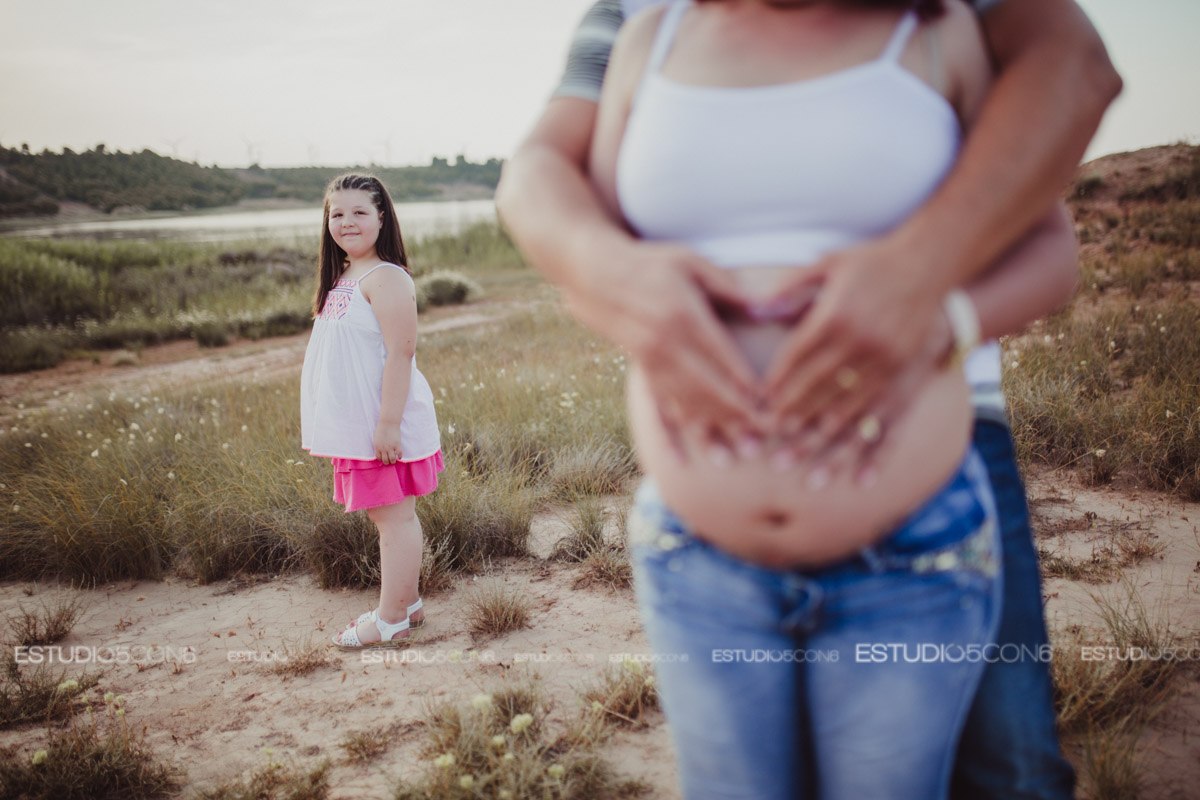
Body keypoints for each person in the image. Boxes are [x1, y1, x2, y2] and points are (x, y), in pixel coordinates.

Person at [496, 1, 1120, 798]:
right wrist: (608, 274)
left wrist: (936, 311)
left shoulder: (941, 30)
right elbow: (560, 198)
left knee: (1011, 772)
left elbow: (1068, 102)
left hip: (917, 528)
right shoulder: (643, 31)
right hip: (697, 555)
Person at [300, 174, 444, 649]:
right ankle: (410, 602)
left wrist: (387, 425)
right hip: (358, 422)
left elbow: (401, 354)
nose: (347, 222)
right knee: (387, 516)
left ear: (382, 217)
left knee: (394, 519)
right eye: (336, 214)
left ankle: (390, 620)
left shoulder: (386, 277)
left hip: (383, 421)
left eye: (360, 212)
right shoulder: (344, 276)